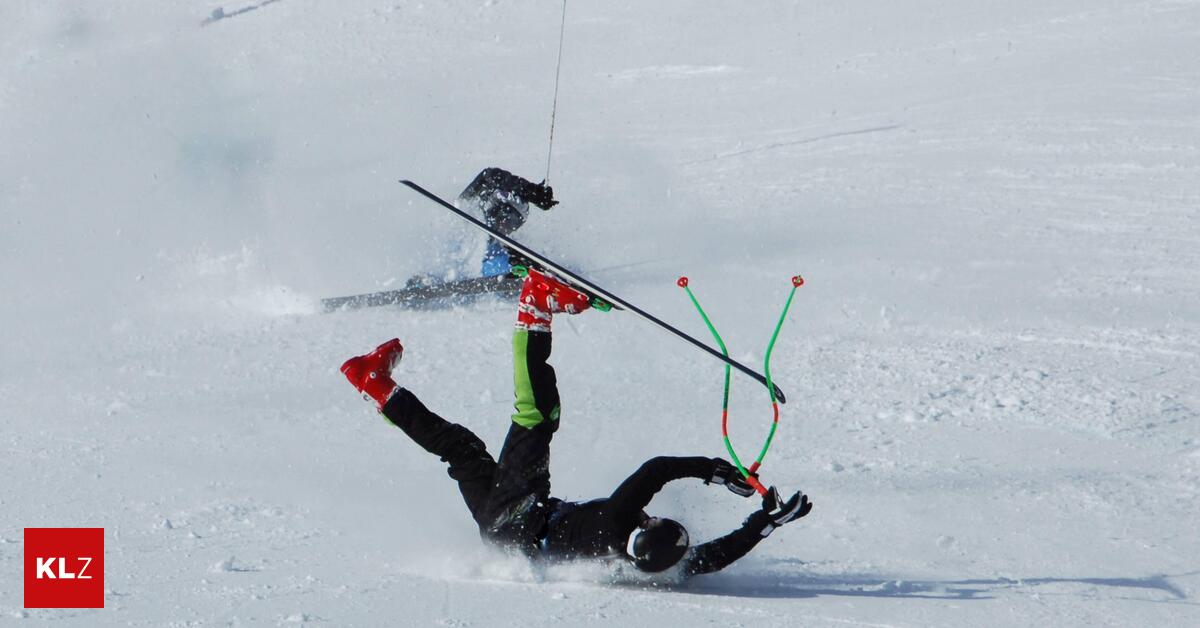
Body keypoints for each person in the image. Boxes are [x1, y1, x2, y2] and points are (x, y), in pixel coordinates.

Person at [340, 268, 813, 576]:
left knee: (538, 416)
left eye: (653, 519)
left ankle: (534, 306)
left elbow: (657, 468)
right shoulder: (646, 567)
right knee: (460, 450)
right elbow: (711, 558)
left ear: (643, 527)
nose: (651, 514)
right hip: (500, 534)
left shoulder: (618, 519)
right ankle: (376, 385)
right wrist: (764, 523)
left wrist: (712, 468)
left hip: (522, 510)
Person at [456, 168, 557, 278]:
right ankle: (514, 267)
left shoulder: (494, 181)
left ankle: (519, 266)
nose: (508, 228)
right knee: (489, 244)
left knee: (494, 243)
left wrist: (534, 192)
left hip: (513, 207)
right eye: (508, 223)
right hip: (500, 214)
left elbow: (509, 181)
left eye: (512, 225)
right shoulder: (472, 208)